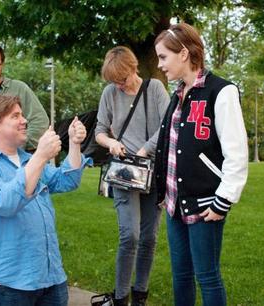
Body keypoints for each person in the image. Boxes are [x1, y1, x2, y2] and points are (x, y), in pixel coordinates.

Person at [0, 95, 90, 306]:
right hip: (7, 282)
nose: (24, 120)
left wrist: (75, 144)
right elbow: (5, 202)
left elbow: (67, 181)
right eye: (15, 116)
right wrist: (41, 156)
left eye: (22, 114)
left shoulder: (28, 161)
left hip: (50, 276)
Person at [154, 23, 248, 306]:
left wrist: (224, 200)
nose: (160, 65)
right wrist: (164, 193)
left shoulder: (221, 92)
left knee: (207, 276)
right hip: (174, 204)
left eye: (163, 57)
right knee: (180, 275)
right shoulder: (178, 95)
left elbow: (237, 152)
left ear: (183, 53)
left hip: (206, 203)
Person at [95, 46, 170, 306]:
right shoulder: (109, 93)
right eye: (114, 81)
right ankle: (120, 297)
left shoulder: (155, 89)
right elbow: (100, 131)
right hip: (125, 173)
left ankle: (140, 295)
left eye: (122, 79)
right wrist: (111, 144)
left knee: (149, 237)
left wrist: (145, 149)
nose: (119, 85)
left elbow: (169, 124)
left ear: (134, 68)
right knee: (130, 236)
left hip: (154, 172)